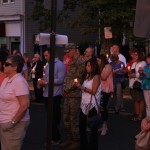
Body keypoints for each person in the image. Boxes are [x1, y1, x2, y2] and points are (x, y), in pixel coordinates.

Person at [60, 43, 89, 150]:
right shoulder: (71, 61)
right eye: (66, 52)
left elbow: (78, 78)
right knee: (66, 117)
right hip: (68, 94)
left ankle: (77, 140)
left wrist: (66, 89)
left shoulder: (81, 62)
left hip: (75, 95)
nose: (67, 54)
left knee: (74, 119)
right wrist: (65, 88)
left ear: (74, 50)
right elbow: (69, 78)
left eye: (68, 51)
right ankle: (70, 138)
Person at [0, 55, 30, 150]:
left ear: (15, 67)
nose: (4, 65)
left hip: (13, 125)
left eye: (7, 64)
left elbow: (24, 105)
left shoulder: (19, 81)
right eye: (4, 63)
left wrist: (12, 123)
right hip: (5, 122)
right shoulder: (6, 79)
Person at [38, 49, 66, 145]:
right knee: (51, 117)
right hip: (47, 94)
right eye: (44, 56)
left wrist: (46, 82)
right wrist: (41, 82)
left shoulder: (59, 64)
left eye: (46, 55)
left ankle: (56, 138)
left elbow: (60, 80)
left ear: (52, 54)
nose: (45, 57)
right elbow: (46, 78)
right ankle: (54, 136)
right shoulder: (48, 64)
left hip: (55, 94)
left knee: (52, 118)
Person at [74, 58, 101, 150]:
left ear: (93, 66)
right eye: (86, 65)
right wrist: (79, 86)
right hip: (84, 104)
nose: (87, 67)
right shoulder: (87, 76)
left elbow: (94, 91)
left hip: (92, 104)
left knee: (93, 128)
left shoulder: (96, 77)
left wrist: (82, 87)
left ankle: (93, 147)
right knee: (81, 126)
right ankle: (84, 146)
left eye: (89, 65)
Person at [97, 54, 113, 135]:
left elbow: (104, 77)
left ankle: (104, 126)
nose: (97, 62)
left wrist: (98, 69)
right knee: (100, 107)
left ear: (102, 60)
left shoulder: (108, 66)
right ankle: (103, 124)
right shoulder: (101, 67)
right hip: (100, 89)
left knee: (103, 107)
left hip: (106, 89)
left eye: (98, 60)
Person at [129, 51, 146, 121]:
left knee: (140, 99)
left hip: (139, 83)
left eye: (136, 55)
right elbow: (132, 72)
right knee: (135, 99)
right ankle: (137, 113)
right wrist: (131, 74)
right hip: (133, 83)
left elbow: (142, 74)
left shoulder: (143, 63)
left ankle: (140, 115)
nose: (134, 56)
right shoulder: (134, 63)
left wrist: (135, 75)